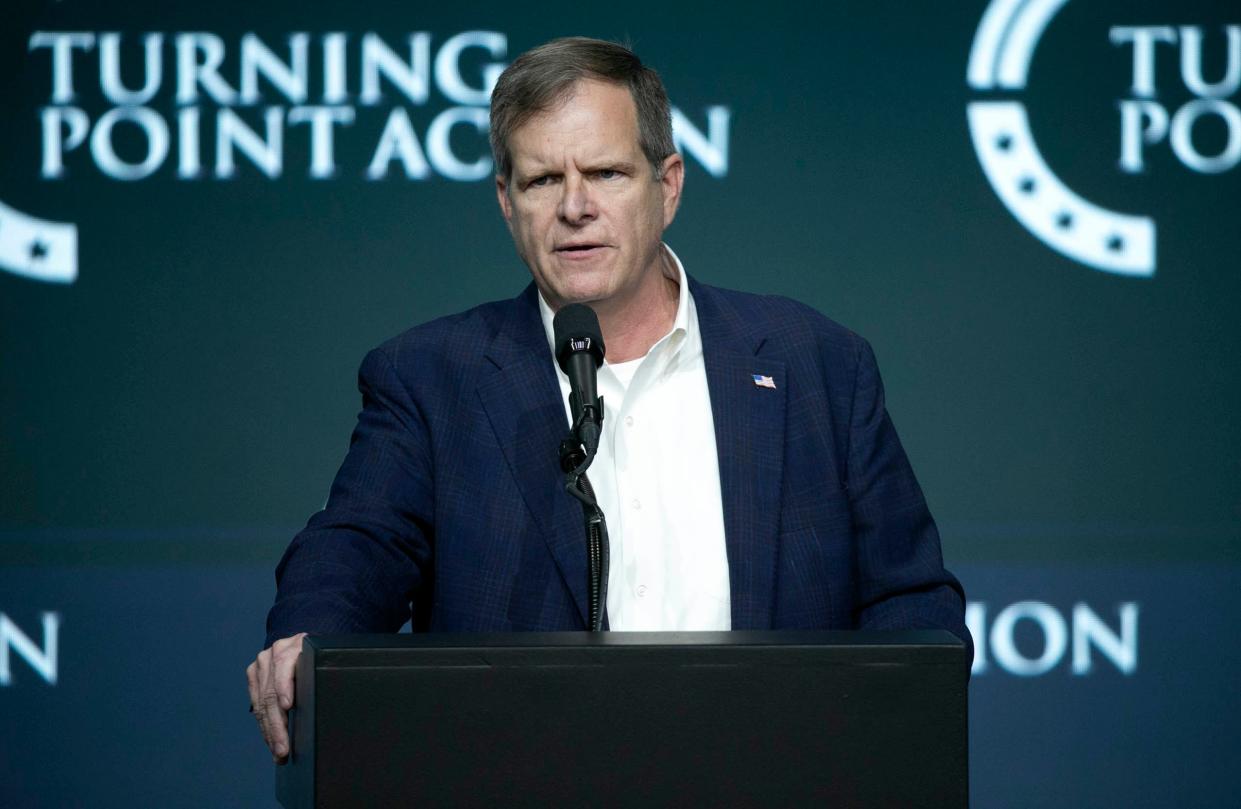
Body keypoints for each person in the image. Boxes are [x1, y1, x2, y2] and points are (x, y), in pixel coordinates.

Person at [246, 37, 970, 763]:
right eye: (539, 181)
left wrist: (880, 740)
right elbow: (356, 542)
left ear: (669, 184)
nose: (574, 207)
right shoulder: (433, 376)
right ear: (505, 201)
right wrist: (308, 632)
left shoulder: (815, 362)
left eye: (605, 172)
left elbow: (908, 601)